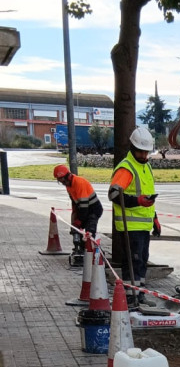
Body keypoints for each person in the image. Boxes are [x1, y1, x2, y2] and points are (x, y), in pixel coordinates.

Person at [108, 126, 160, 306]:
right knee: (132, 262)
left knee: (141, 262)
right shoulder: (127, 168)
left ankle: (139, 294)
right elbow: (114, 195)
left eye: (147, 153)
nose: (144, 156)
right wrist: (138, 201)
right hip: (129, 226)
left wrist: (155, 219)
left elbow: (148, 194)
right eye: (141, 152)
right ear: (133, 148)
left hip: (143, 226)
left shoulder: (146, 167)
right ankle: (130, 297)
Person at [53, 165, 103, 243]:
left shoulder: (79, 182)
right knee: (76, 230)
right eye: (60, 181)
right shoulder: (68, 185)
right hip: (85, 210)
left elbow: (84, 206)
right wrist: (74, 220)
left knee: (89, 232)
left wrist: (79, 220)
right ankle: (81, 249)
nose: (62, 183)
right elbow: (74, 204)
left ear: (68, 176)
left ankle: (92, 251)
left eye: (62, 180)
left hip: (93, 209)